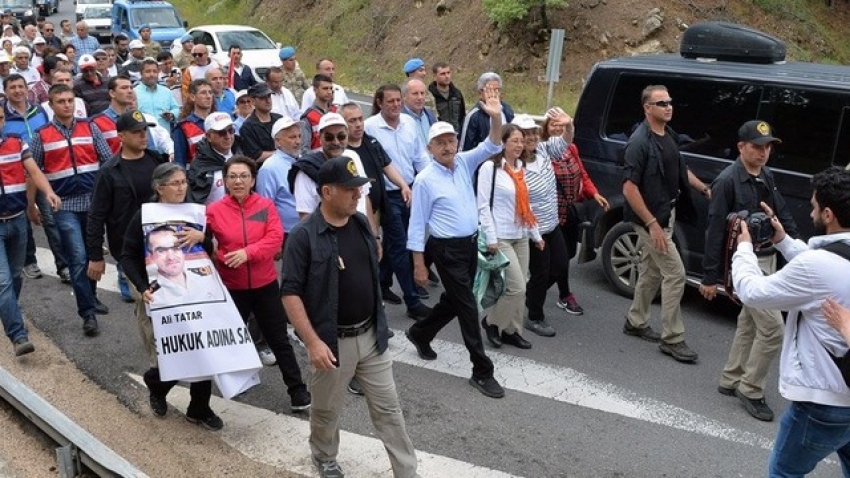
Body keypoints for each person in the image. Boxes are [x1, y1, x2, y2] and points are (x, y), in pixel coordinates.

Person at [281, 156, 419, 478]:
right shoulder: (304, 236)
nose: (358, 194)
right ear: (327, 192)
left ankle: (407, 472)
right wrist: (313, 342)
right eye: (350, 189)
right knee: (327, 410)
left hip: (372, 338)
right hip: (333, 344)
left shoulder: (359, 223)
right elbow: (290, 293)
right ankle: (325, 456)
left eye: (359, 188)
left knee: (389, 411)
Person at [731, 167, 850, 475]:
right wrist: (783, 240)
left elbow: (753, 292)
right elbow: (827, 271)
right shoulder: (830, 259)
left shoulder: (817, 265)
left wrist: (743, 248)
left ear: (828, 214)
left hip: (823, 403)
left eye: (813, 206)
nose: (810, 210)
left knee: (784, 472)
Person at [405, 86, 505, 398]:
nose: (447, 146)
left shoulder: (464, 162)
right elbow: (417, 224)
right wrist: (419, 265)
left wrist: (496, 116)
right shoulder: (424, 180)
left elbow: (492, 143)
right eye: (440, 143)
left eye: (450, 140)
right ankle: (481, 369)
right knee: (466, 306)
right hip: (445, 250)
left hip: (470, 245)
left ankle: (420, 333)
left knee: (454, 299)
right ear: (430, 148)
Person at [699, 120, 798, 421]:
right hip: (743, 264)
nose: (763, 152)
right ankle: (751, 389)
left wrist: (797, 250)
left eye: (767, 147)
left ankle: (731, 379)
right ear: (741, 147)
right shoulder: (727, 180)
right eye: (757, 146)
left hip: (767, 257)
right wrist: (709, 277)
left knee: (749, 323)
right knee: (773, 330)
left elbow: (780, 210)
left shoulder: (766, 174)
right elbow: (715, 230)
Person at [119, 162, 223, 430]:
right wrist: (142, 288)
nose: (181, 187)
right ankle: (156, 386)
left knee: (202, 348)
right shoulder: (144, 215)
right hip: (159, 296)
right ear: (159, 188)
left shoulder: (195, 213)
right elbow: (128, 255)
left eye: (183, 182)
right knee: (170, 351)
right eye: (175, 183)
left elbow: (211, 249)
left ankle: (199, 408)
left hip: (196, 292)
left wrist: (203, 236)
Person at [206, 156, 311, 412]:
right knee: (229, 339)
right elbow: (207, 246)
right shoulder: (214, 211)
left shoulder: (265, 206)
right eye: (233, 176)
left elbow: (274, 240)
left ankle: (297, 390)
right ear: (225, 180)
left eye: (244, 176)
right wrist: (218, 253)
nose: (238, 181)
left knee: (278, 339)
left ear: (253, 180)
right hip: (232, 287)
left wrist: (246, 253)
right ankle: (229, 385)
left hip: (265, 285)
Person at [621, 85, 709, 363]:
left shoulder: (667, 134)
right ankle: (672, 338)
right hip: (649, 221)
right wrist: (652, 224)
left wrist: (702, 187)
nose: (668, 107)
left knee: (651, 271)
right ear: (648, 108)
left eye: (670, 102)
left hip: (665, 214)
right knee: (675, 273)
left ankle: (635, 321)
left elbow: (679, 168)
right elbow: (629, 189)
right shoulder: (639, 142)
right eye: (661, 103)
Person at [31, 84, 113, 336]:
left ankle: (91, 295)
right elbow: (33, 171)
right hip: (64, 205)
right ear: (52, 105)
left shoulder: (90, 127)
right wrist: (34, 202)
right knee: (77, 259)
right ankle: (87, 313)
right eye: (61, 101)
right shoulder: (41, 135)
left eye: (70, 100)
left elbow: (108, 161)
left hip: (93, 203)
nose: (67, 105)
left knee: (93, 256)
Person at [86, 110, 168, 308]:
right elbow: (96, 216)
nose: (143, 135)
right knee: (147, 302)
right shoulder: (109, 171)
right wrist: (95, 256)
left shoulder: (157, 161)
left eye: (145, 130)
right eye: (136, 132)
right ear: (121, 136)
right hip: (130, 249)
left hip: (163, 244)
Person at [364, 84, 431, 320]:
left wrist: (428, 183)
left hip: (411, 190)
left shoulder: (409, 124)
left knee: (399, 241)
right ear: (379, 103)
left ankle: (383, 282)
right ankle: (412, 299)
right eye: (389, 101)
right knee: (401, 243)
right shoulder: (370, 128)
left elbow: (420, 157)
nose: (395, 105)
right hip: (388, 194)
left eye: (397, 101)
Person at [0, 105, 61, 356]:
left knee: (15, 275)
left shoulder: (16, 142)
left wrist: (48, 192)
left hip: (17, 220)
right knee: (3, 282)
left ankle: (7, 309)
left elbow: (34, 171)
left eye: (0, 117)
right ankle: (17, 333)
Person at [477, 123, 544, 350]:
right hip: (502, 236)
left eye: (521, 141)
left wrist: (536, 235)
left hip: (521, 234)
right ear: (503, 143)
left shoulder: (521, 168)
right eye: (514, 140)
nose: (519, 145)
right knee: (517, 288)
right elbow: (483, 205)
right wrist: (492, 237)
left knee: (521, 284)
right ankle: (492, 323)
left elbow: (526, 205)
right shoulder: (490, 168)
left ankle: (512, 330)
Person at [543, 114, 608, 315]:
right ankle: (557, 294)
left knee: (569, 253)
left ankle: (534, 289)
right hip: (550, 213)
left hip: (570, 209)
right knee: (557, 260)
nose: (557, 128)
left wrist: (594, 193)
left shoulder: (571, 148)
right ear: (545, 127)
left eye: (561, 124)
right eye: (553, 124)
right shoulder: (541, 151)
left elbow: (582, 173)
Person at [256, 116, 301, 240]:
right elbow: (264, 208)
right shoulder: (269, 168)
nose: (298, 141)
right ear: (278, 142)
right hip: (285, 234)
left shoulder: (303, 161)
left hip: (304, 231)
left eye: (299, 136)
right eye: (292, 137)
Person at [187, 112, 240, 205]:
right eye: (221, 132)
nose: (228, 136)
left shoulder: (241, 156)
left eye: (231, 130)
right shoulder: (199, 166)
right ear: (208, 137)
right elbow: (195, 201)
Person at [460, 72, 515, 151]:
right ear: (480, 93)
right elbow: (464, 147)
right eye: (489, 90)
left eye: (497, 90)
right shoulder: (473, 116)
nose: (494, 94)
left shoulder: (507, 110)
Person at [173, 79, 213, 166]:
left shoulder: (218, 122)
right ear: (192, 97)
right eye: (203, 93)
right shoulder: (183, 127)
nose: (208, 96)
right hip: (196, 175)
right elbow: (179, 161)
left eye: (210, 92)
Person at [238, 83, 280, 162]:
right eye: (262, 98)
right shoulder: (248, 127)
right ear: (253, 101)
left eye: (269, 96)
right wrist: (281, 153)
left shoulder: (279, 119)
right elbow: (255, 156)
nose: (268, 100)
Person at [135, 58, 180, 131]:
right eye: (148, 71)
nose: (152, 74)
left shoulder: (166, 91)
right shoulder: (134, 93)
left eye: (155, 71)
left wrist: (171, 115)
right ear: (141, 73)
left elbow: (176, 108)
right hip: (144, 136)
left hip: (165, 136)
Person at [300, 74, 337, 152]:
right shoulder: (308, 117)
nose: (329, 92)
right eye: (325, 88)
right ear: (315, 90)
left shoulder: (337, 111)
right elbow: (304, 149)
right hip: (318, 161)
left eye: (331, 88)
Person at [428, 62, 465, 134]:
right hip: (439, 136)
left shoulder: (457, 94)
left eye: (448, 73)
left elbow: (462, 116)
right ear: (435, 77)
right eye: (443, 74)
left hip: (456, 136)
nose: (447, 76)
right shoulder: (429, 96)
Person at [401, 78, 435, 146]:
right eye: (415, 94)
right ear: (404, 96)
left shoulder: (430, 116)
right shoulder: (399, 119)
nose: (420, 97)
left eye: (422, 93)